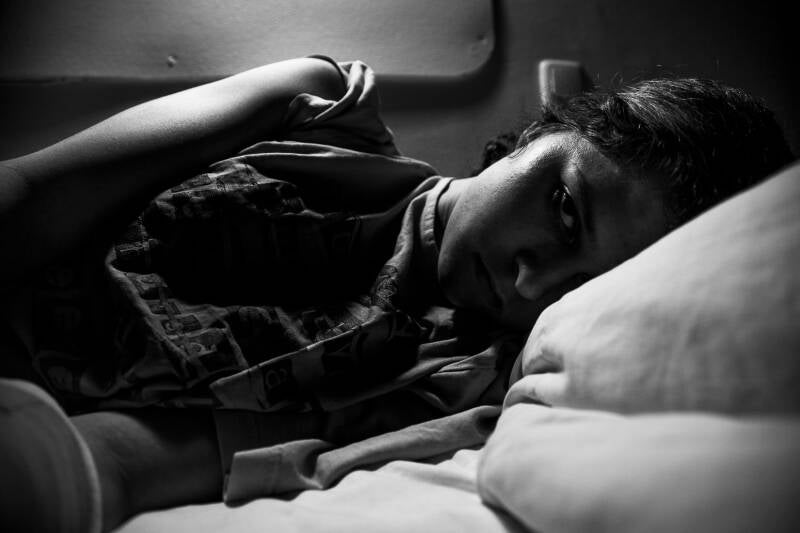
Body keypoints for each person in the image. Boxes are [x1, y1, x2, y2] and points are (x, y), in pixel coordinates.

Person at [0, 56, 794, 531]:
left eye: (582, 285)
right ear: (544, 132)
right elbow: (34, 193)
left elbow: (144, 457)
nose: (530, 281)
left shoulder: (454, 381)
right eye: (563, 210)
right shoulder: (319, 111)